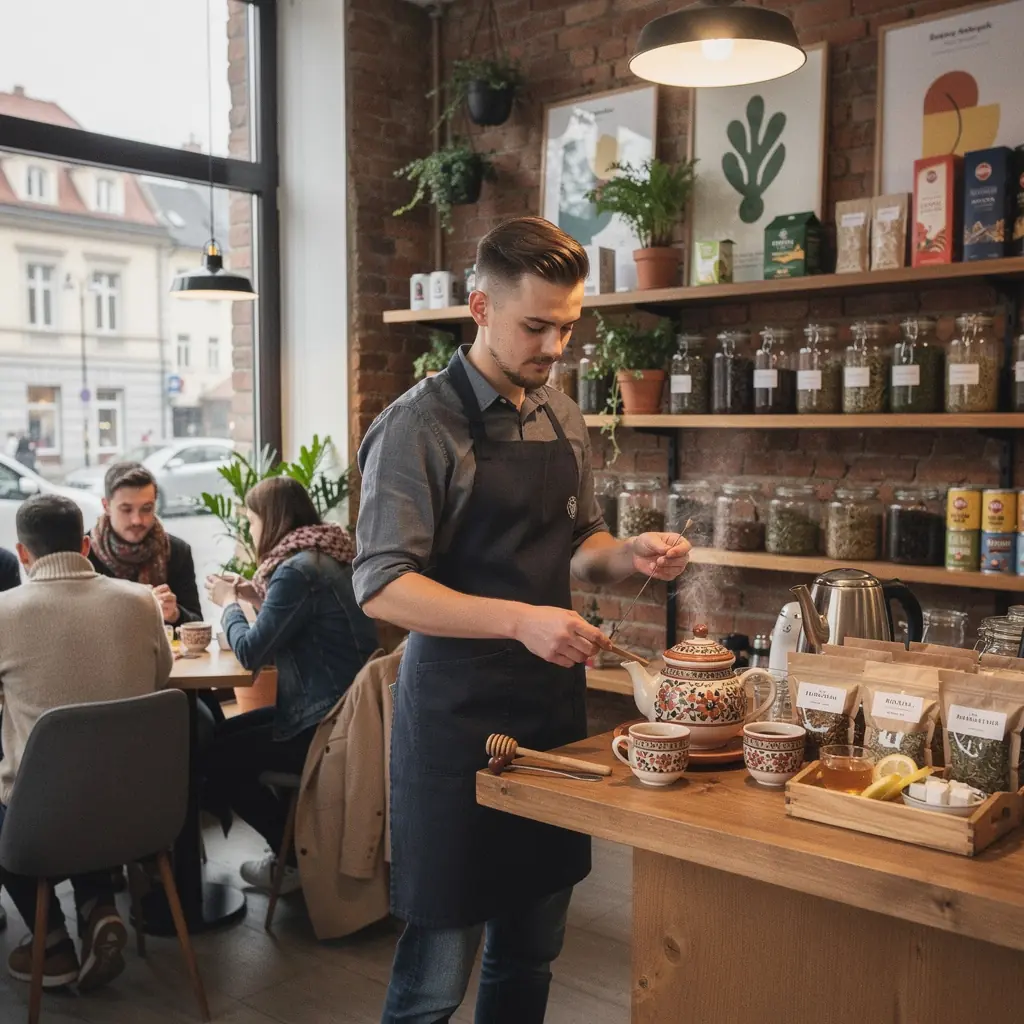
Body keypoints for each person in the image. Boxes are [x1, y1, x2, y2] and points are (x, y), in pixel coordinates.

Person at [353, 215, 691, 1024]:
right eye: (536, 325)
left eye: (568, 327)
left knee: (532, 952)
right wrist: (520, 621)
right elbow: (381, 585)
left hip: (547, 712)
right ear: (479, 307)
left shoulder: (560, 416)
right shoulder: (417, 426)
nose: (554, 347)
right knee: (438, 972)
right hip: (454, 720)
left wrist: (631, 553)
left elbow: (581, 543)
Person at [0, 494, 172, 991]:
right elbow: (160, 676)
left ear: (22, 553)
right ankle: (99, 906)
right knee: (89, 781)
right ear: (85, 543)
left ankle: (51, 941)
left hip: (43, 822)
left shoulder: (5, 614)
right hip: (139, 815)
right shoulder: (139, 601)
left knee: (35, 796)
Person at [204, 477, 378, 894]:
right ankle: (296, 854)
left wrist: (230, 602)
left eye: (251, 521)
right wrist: (256, 597)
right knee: (221, 733)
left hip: (323, 724)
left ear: (271, 520)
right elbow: (303, 625)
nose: (250, 531)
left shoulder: (297, 571)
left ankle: (296, 860)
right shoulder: (325, 555)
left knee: (216, 757)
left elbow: (249, 652)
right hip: (348, 715)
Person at [87, 461, 202, 628]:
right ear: (107, 506)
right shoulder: (84, 552)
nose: (137, 520)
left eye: (147, 509)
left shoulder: (177, 552)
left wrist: (175, 613)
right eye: (126, 510)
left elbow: (197, 623)